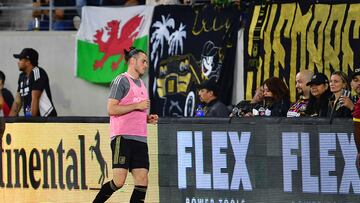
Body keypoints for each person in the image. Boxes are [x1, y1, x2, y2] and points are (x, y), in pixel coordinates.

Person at [93, 47, 158, 203]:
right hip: (123, 138)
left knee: (142, 180)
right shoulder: (121, 80)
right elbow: (111, 108)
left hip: (140, 139)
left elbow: (135, 109)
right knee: (119, 182)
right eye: (143, 61)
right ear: (132, 61)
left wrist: (146, 118)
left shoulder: (142, 84)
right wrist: (137, 107)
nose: (146, 65)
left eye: (147, 62)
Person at [9, 48, 57, 117]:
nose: (18, 62)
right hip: (34, 120)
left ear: (28, 62)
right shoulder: (22, 76)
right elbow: (17, 102)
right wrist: (8, 123)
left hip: (46, 120)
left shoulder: (38, 73)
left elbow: (35, 99)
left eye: (20, 60)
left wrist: (30, 121)